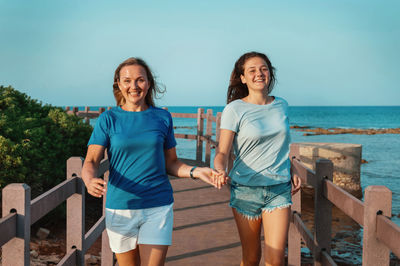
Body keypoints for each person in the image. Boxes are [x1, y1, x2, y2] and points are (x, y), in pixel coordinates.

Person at [82, 57, 221, 266]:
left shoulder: (162, 117)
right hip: (121, 206)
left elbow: (171, 163)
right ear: (118, 85)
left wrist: (196, 171)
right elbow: (91, 160)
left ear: (149, 83)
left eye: (140, 80)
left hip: (158, 204)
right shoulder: (108, 119)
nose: (134, 86)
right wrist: (88, 179)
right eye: (127, 81)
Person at [213, 51, 301, 266]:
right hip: (245, 190)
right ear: (243, 78)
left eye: (263, 69)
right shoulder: (234, 109)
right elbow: (222, 152)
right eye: (252, 70)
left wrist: (293, 167)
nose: (259, 74)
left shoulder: (282, 105)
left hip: (278, 188)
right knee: (251, 258)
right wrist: (219, 169)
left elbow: (279, 146)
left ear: (270, 74)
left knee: (276, 259)